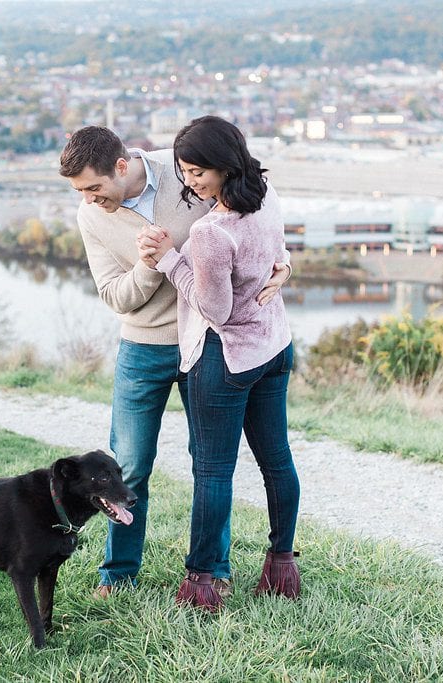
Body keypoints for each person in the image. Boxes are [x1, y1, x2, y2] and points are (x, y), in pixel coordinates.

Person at [58, 126, 290, 598]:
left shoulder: (186, 169)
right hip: (142, 348)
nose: (88, 199)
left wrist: (283, 261)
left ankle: (213, 571)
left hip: (205, 343)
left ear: (121, 166)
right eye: (80, 192)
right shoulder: (92, 216)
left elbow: (254, 205)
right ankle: (118, 571)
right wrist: (149, 264)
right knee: (129, 464)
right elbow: (115, 296)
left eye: (94, 188)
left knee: (208, 463)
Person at [137, 115, 301, 611]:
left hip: (226, 358)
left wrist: (169, 258)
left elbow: (216, 311)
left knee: (212, 470)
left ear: (224, 164)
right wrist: (286, 268)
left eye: (197, 172)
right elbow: (276, 254)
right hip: (274, 346)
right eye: (184, 172)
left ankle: (201, 582)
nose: (190, 182)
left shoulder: (211, 231)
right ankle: (282, 568)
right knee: (277, 460)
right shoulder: (265, 193)